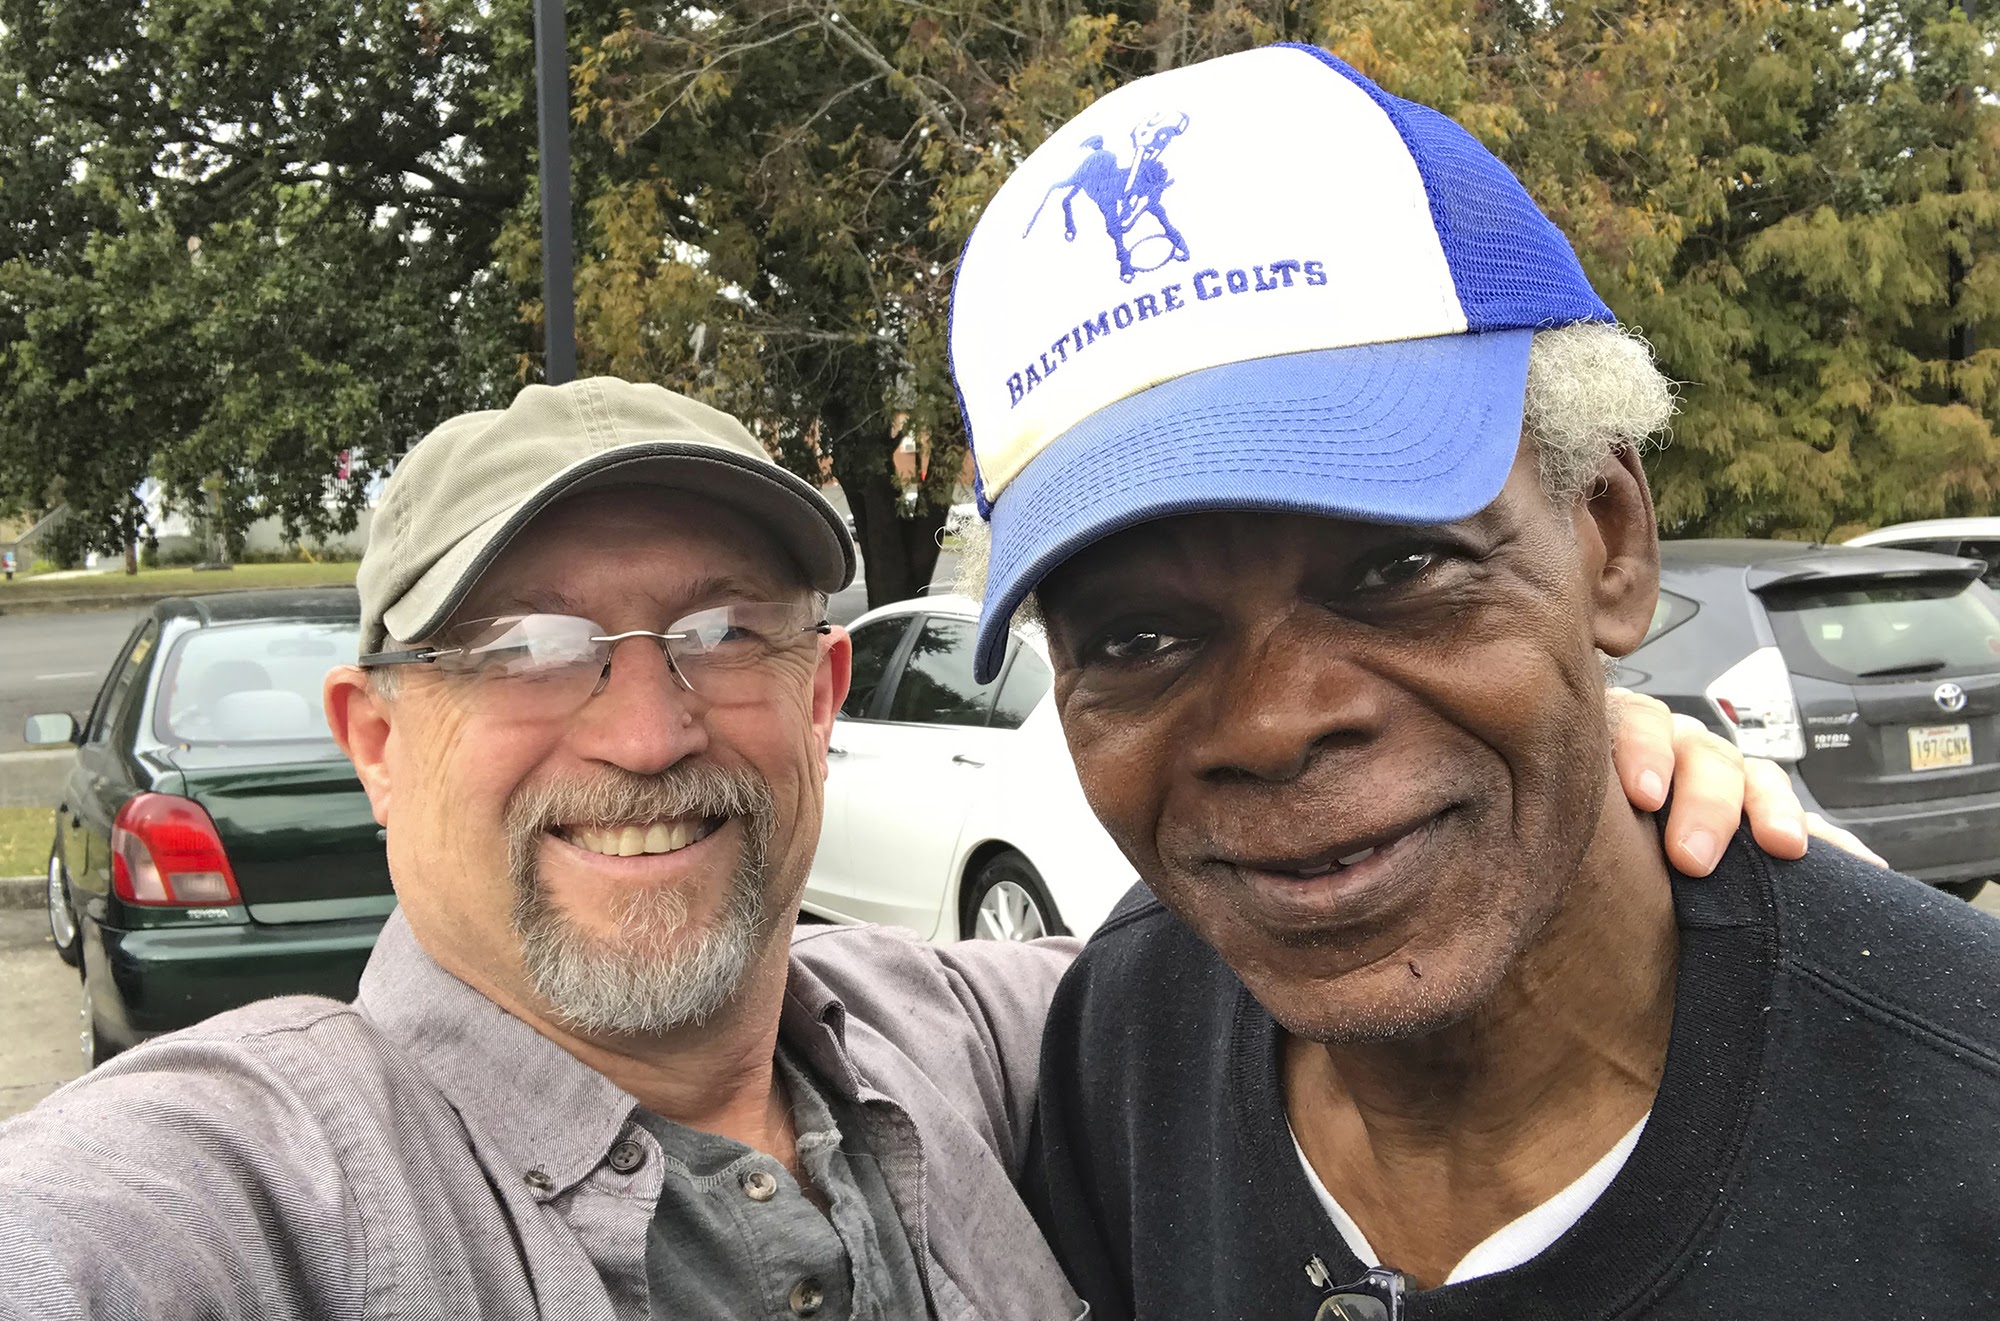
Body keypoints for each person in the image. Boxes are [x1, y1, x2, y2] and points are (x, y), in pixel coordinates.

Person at [0, 378, 1817, 1319]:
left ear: (817, 696)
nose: (646, 731)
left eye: (723, 633)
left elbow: (1289, 948)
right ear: (380, 742)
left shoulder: (981, 1046)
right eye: (531, 654)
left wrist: (1564, 767)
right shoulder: (251, 1186)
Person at [946, 43, 2000, 1319]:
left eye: (1394, 565)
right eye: (1135, 642)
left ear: (1607, 536)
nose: (1275, 723)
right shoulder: (1130, 1032)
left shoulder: (1957, 1113)